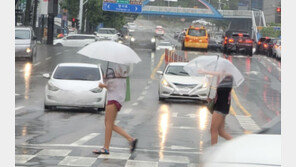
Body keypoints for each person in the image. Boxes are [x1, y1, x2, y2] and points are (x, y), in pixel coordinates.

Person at [93, 65, 137, 154]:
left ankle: (106, 148)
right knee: (109, 124)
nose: (115, 72)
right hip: (117, 101)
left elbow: (111, 86)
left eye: (117, 71)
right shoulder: (123, 76)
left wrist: (102, 84)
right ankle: (130, 139)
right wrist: (106, 80)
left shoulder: (118, 76)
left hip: (113, 100)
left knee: (108, 124)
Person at [199, 69, 233, 145]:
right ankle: (237, 145)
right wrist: (212, 100)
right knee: (221, 131)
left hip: (221, 108)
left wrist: (206, 72)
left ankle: (213, 150)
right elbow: (221, 95)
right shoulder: (225, 80)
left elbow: (219, 73)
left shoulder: (229, 78)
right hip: (221, 106)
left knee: (213, 130)